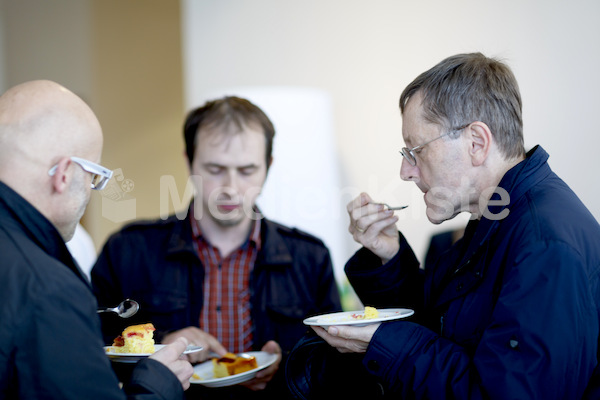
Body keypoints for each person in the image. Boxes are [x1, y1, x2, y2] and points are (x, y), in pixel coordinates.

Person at [285, 53, 600, 399]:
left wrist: (384, 342)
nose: (406, 172)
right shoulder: (498, 217)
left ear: (476, 143)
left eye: (415, 152)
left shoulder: (544, 244)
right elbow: (443, 326)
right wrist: (390, 258)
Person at [91, 95, 342, 399]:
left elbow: (334, 366)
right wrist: (161, 345)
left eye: (247, 170)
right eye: (215, 169)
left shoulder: (310, 257)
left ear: (268, 166)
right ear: (189, 162)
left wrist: (286, 363)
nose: (231, 187)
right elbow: (89, 352)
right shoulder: (127, 251)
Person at [0, 80, 194, 399]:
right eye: (94, 178)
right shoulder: (50, 289)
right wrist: (156, 384)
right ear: (64, 174)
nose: (91, 192)